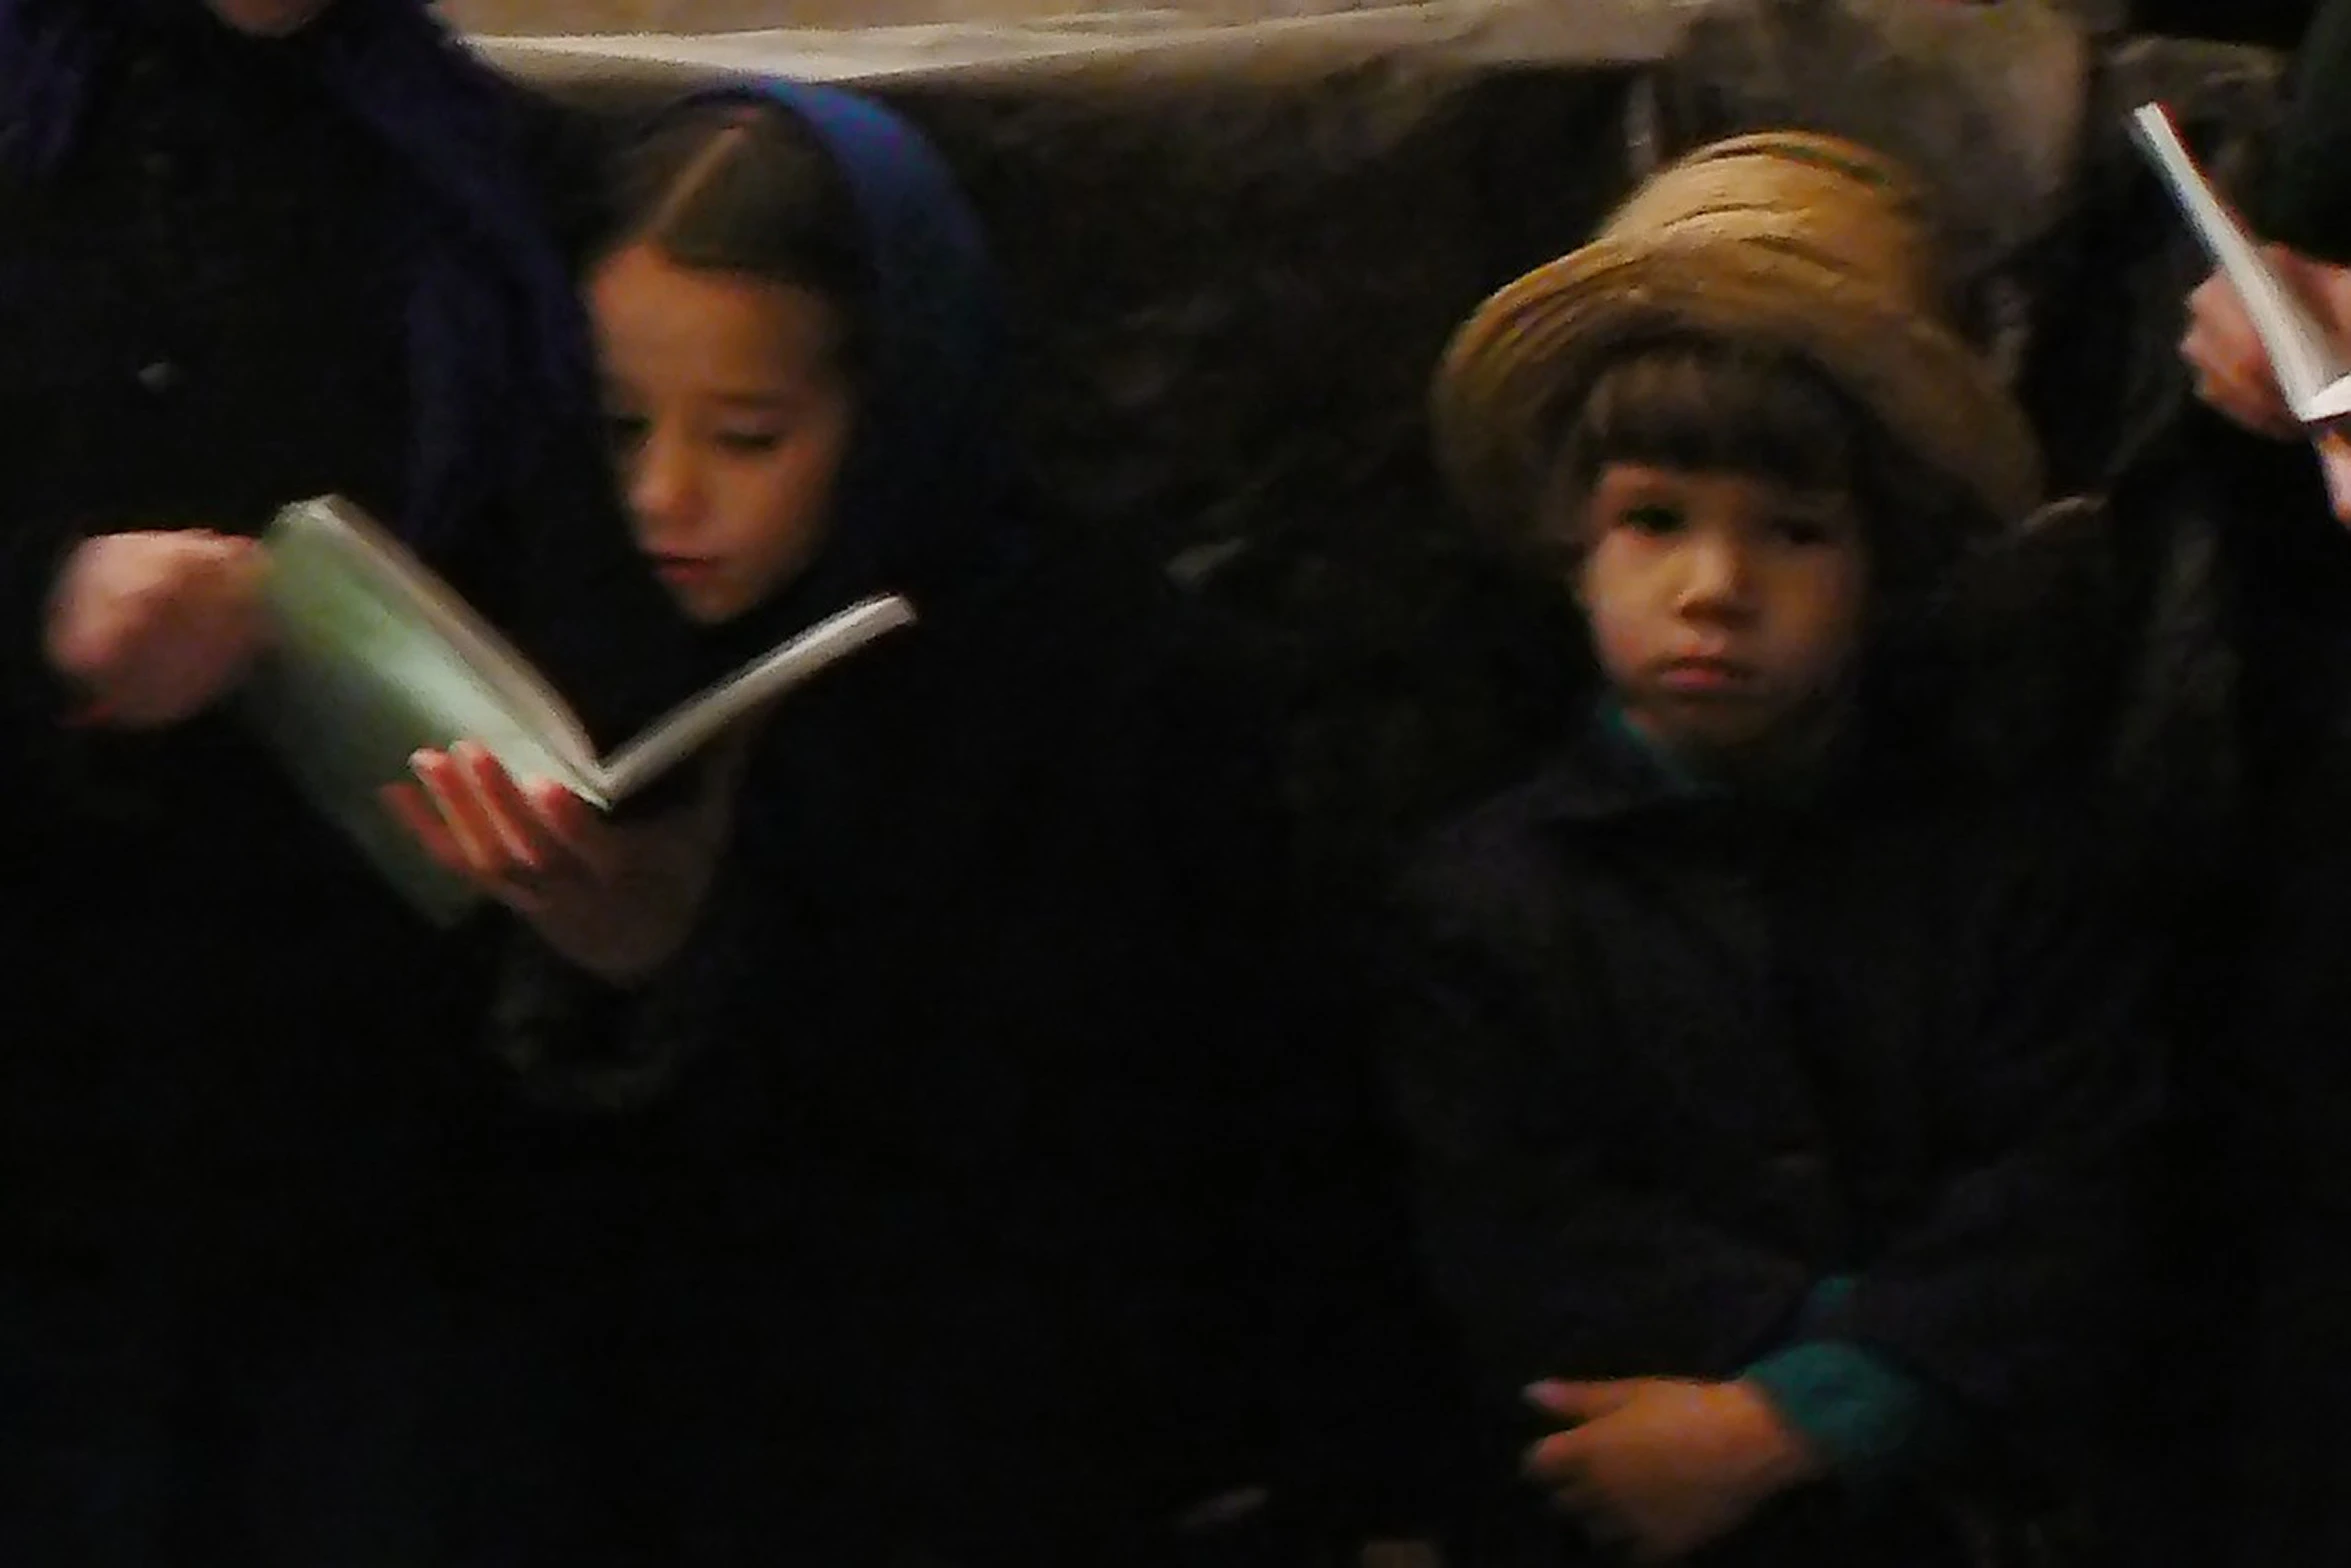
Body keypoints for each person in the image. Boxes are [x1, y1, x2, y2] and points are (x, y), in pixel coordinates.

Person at [389, 79, 1439, 1567]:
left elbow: (1240, 1125)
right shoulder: (572, 634)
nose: (663, 496)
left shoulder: (1106, 682)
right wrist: (606, 978)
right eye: (620, 425)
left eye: (748, 437)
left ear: (896, 400)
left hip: (1027, 1453)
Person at [1379, 132, 2160, 1566]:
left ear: (1886, 563)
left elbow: (2072, 1191)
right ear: (1570, 545)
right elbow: (1515, 1225)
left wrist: (1814, 1412)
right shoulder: (1479, 904)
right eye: (1653, 523)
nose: (1715, 588)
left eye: (1792, 531)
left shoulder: (2014, 872)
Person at [0, 1, 684, 1561]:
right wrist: (42, 617)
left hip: (378, 1155)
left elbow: (596, 607)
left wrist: (618, 869)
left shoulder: (483, 173)